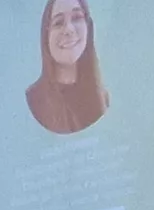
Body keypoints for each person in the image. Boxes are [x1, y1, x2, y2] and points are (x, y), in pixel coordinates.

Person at [24, 0, 109, 134]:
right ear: (46, 36)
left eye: (77, 18)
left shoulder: (102, 98)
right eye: (58, 23)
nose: (69, 29)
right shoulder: (33, 100)